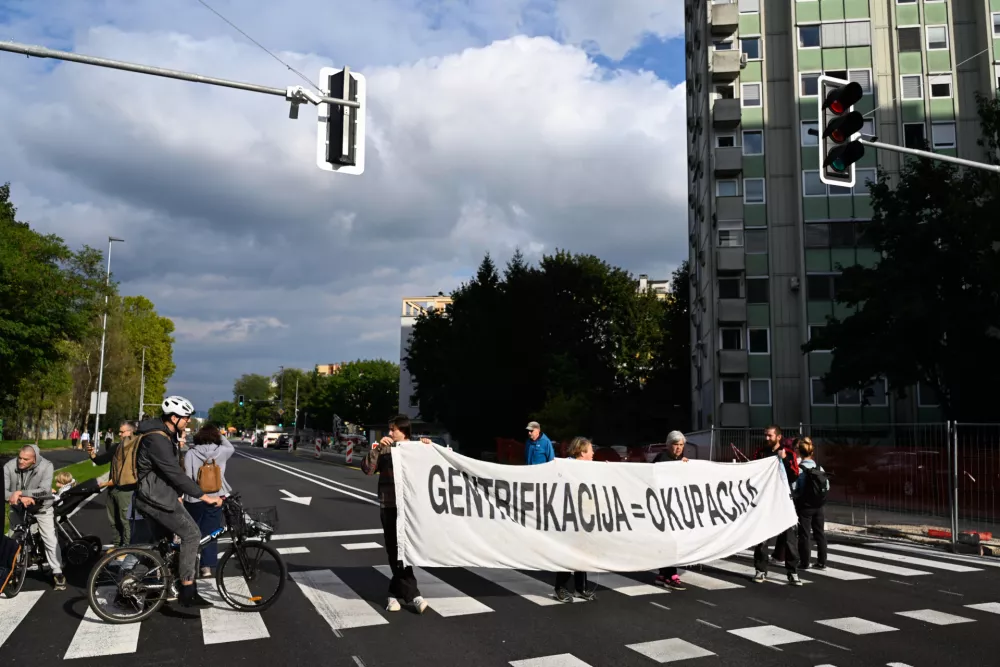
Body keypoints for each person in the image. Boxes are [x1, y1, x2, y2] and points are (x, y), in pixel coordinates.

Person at [134, 396, 224, 608]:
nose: (188, 421)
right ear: (173, 418)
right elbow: (174, 473)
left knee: (160, 548)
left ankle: (131, 583)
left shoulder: (164, 436)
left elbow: (168, 472)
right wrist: (204, 496)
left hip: (157, 496)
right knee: (192, 534)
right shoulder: (157, 439)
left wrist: (179, 494)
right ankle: (188, 589)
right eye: (185, 417)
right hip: (156, 499)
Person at [362, 414, 429, 614]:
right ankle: (413, 595)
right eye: (389, 430)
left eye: (393, 430)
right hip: (389, 504)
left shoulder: (417, 449)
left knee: (406, 550)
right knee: (394, 549)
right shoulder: (384, 449)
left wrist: (428, 447)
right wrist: (377, 450)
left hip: (410, 507)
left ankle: (394, 594)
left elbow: (433, 467)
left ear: (404, 431)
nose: (389, 433)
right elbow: (367, 469)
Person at [3, 445, 66, 590]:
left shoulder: (46, 466)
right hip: (18, 506)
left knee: (49, 537)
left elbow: (45, 491)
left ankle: (58, 572)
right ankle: (12, 571)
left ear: (34, 459)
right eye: (20, 457)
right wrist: (19, 499)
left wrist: (21, 493)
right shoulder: (9, 467)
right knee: (13, 538)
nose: (21, 461)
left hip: (42, 507)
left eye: (26, 459)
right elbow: (4, 491)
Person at [183, 424, 235, 579]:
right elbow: (230, 446)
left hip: (194, 498)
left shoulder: (191, 453)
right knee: (211, 532)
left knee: (192, 533)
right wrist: (219, 434)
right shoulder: (222, 452)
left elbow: (187, 477)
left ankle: (190, 563)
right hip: (216, 497)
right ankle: (207, 567)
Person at [751, 425, 801, 586]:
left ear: (778, 437)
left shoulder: (790, 453)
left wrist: (784, 459)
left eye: (770, 436)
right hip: (764, 501)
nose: (766, 438)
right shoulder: (760, 453)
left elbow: (794, 476)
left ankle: (792, 572)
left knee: (789, 539)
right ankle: (760, 570)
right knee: (762, 539)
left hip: (783, 501)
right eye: (765, 435)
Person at [554, 437, 599, 602]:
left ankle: (581, 588)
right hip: (569, 517)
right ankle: (560, 587)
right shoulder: (565, 466)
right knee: (568, 554)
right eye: (590, 449)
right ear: (582, 451)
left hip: (584, 516)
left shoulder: (590, 467)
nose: (593, 452)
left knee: (583, 552)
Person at [87, 420, 137, 550]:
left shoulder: (137, 448)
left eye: (122, 431)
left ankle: (126, 548)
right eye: (119, 431)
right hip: (112, 489)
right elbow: (101, 460)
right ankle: (117, 546)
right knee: (113, 521)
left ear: (131, 432)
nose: (119, 434)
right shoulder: (117, 447)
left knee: (125, 521)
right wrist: (92, 454)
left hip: (126, 491)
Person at [653, 431, 689, 590]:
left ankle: (664, 573)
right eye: (676, 445)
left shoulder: (682, 460)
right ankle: (670, 574)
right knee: (669, 541)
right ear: (668, 445)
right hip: (663, 507)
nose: (679, 448)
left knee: (672, 541)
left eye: (681, 445)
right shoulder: (661, 459)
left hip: (676, 507)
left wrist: (687, 466)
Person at [794, 437, 829, 571]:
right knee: (819, 533)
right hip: (819, 505)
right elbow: (827, 485)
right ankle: (822, 562)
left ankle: (805, 562)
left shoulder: (800, 468)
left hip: (805, 506)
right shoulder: (819, 467)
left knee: (805, 534)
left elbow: (795, 487)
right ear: (811, 452)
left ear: (800, 453)